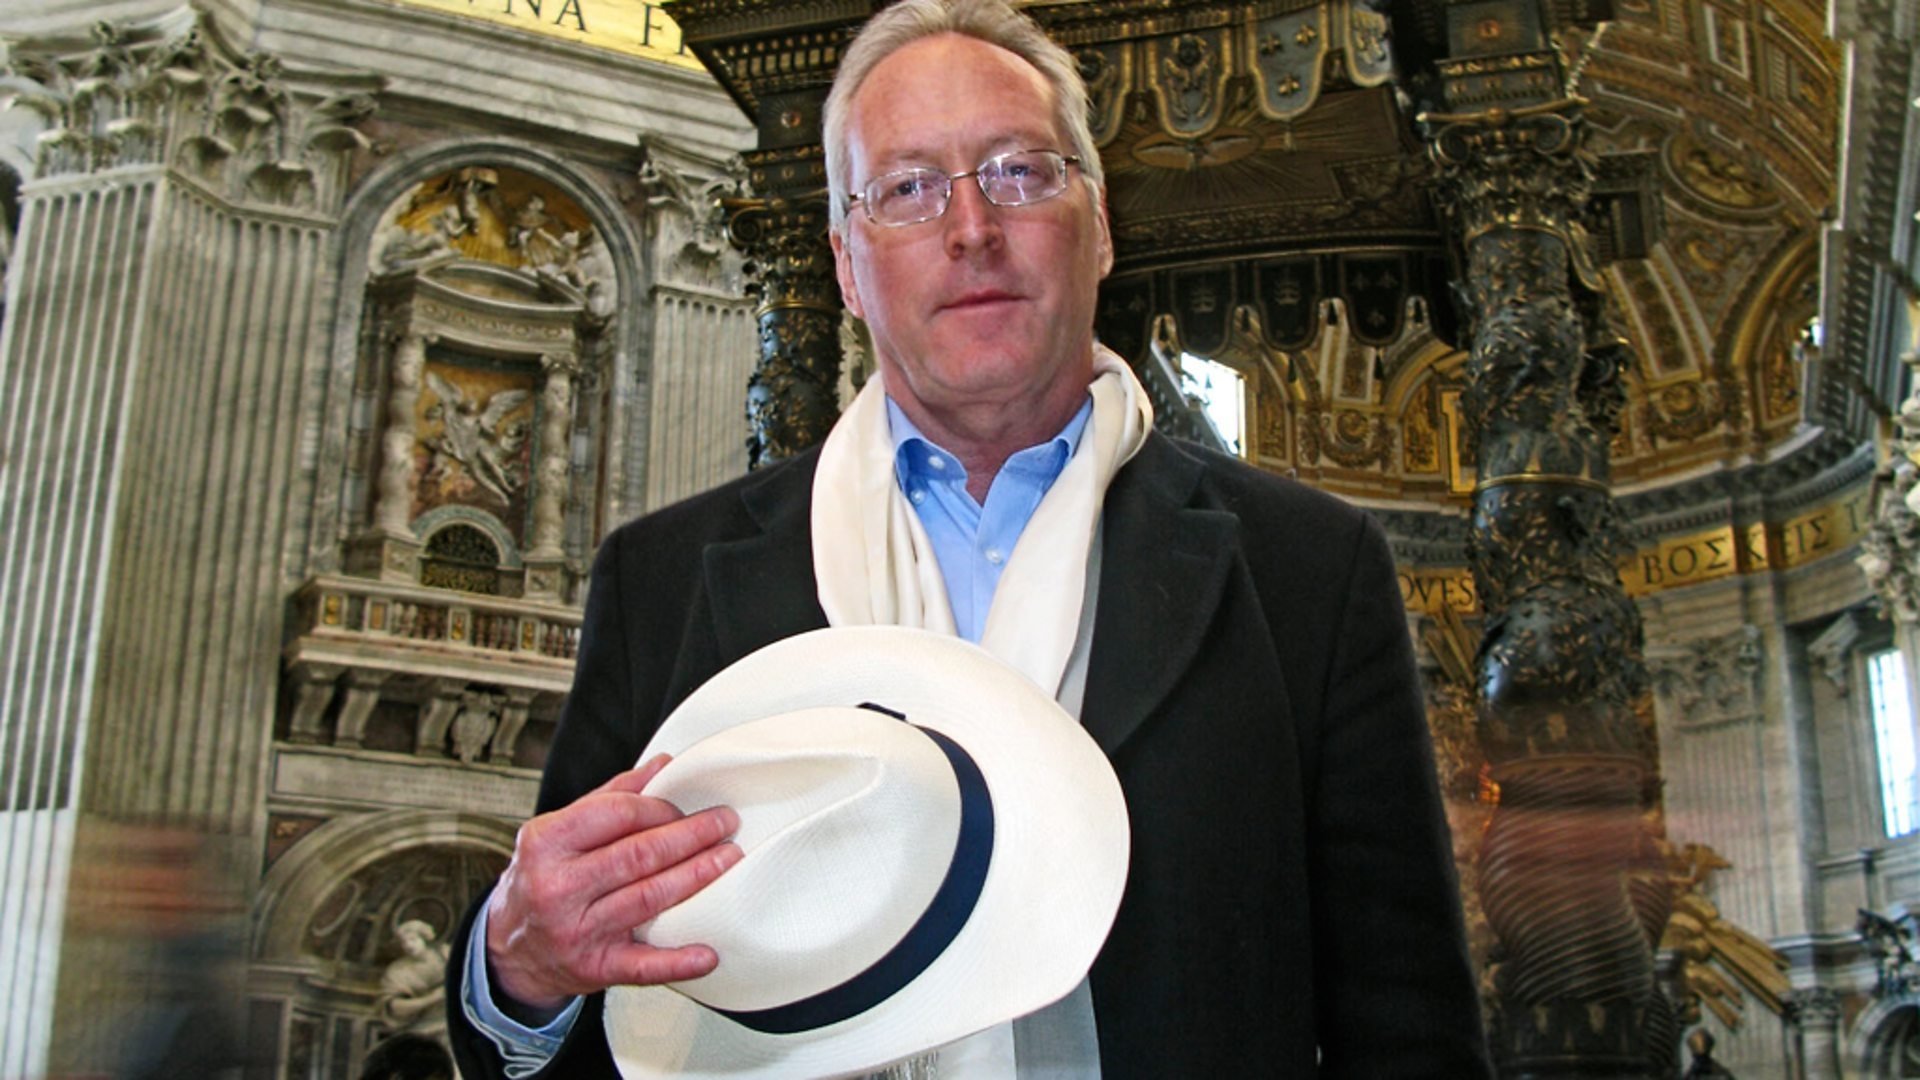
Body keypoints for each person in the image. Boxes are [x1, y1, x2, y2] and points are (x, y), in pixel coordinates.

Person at [446, 0, 1492, 1075]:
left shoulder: (1305, 570)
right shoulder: (663, 582)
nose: (972, 228)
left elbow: (1408, 1033)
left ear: (1101, 226)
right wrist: (518, 971)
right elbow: (594, 1014)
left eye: (1019, 172)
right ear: (846, 265)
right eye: (907, 189)